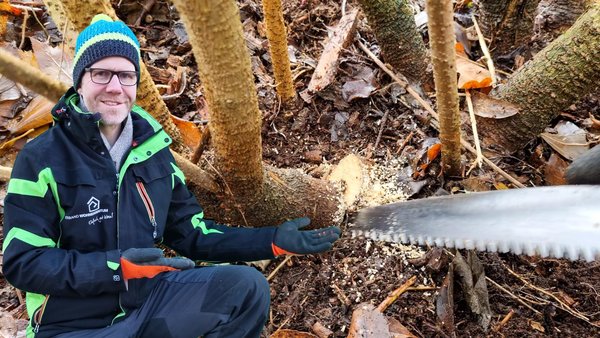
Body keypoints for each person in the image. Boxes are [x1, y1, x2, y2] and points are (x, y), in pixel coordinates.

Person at [2, 14, 340, 338]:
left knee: (245, 289)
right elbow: (23, 264)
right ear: (80, 80)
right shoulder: (40, 158)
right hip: (73, 326)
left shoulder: (153, 151)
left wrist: (270, 240)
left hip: (148, 305)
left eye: (126, 75)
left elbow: (191, 234)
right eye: (101, 74)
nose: (115, 87)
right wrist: (115, 268)